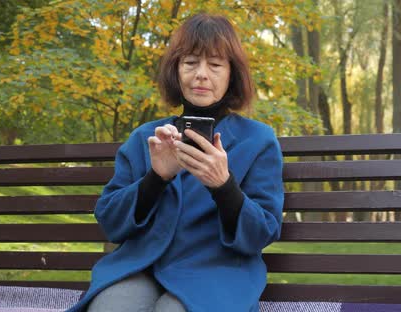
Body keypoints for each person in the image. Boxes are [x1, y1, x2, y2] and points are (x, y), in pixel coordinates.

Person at [67, 13, 284, 312]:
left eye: (216, 64)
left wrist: (224, 186)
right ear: (176, 70)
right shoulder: (147, 137)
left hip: (217, 272)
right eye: (190, 62)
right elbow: (110, 221)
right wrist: (156, 177)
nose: (201, 74)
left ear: (232, 74)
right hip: (141, 266)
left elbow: (263, 233)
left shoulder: (258, 140)